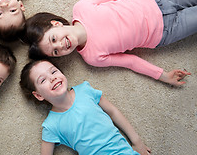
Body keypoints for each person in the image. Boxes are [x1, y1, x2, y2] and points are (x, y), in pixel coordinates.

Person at [24, 0, 196, 86]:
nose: (60, 46)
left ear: (56, 24)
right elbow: (131, 62)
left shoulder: (81, 8)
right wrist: (163, 76)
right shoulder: (92, 57)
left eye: (53, 39)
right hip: (165, 32)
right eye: (55, 52)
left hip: (157, 0)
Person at [20, 59, 151, 155]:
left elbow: (113, 112)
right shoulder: (51, 126)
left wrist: (137, 141)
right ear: (38, 95)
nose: (52, 78)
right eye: (43, 80)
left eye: (54, 71)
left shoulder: (85, 90)